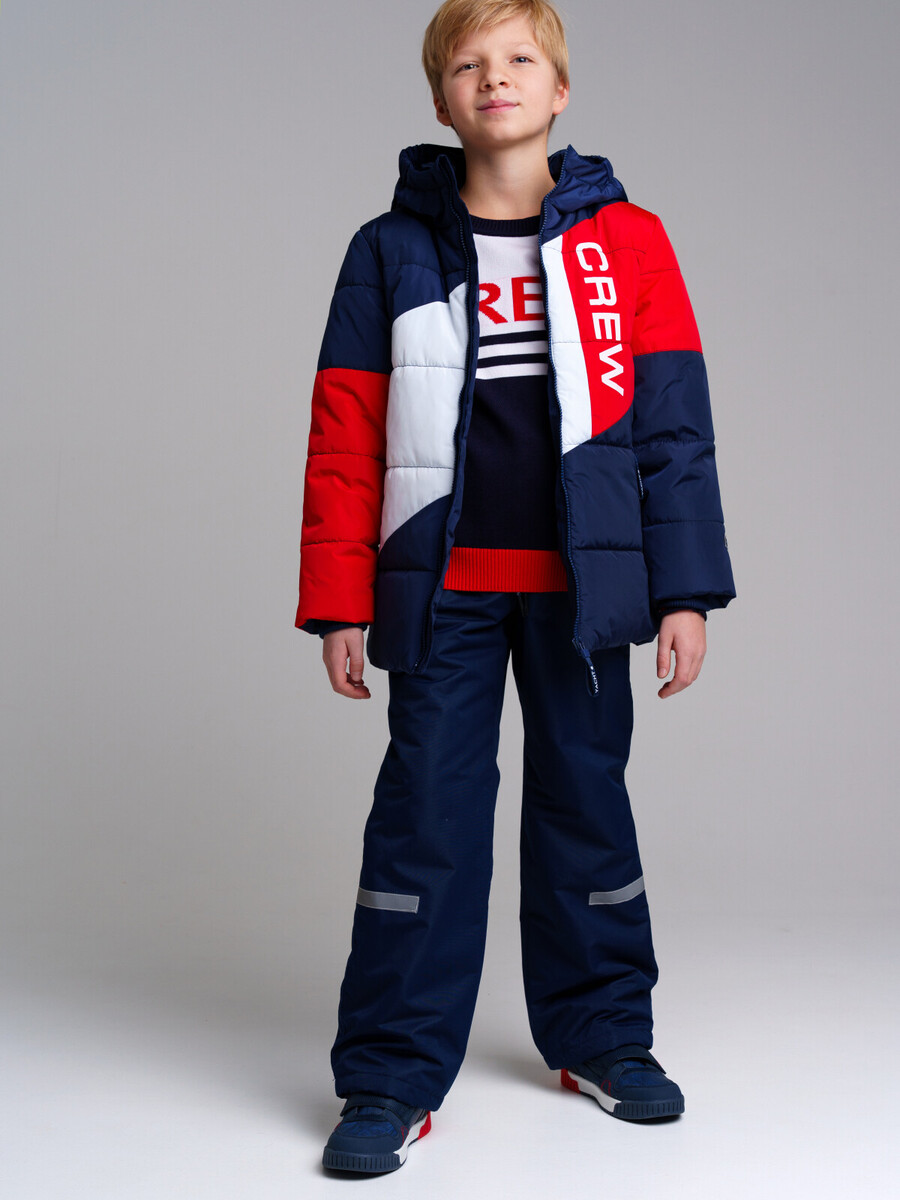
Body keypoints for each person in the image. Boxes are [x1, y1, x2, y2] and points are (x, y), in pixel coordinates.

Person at [294, 0, 736, 1175]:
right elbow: (345, 436)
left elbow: (674, 429)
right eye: (469, 65)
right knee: (425, 820)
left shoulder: (628, 243)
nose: (496, 78)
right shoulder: (387, 252)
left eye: (520, 59)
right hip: (439, 588)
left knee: (587, 804)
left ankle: (604, 1035)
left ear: (560, 90)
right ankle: (390, 1073)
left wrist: (684, 592)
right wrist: (340, 599)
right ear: (442, 99)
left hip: (586, 592)